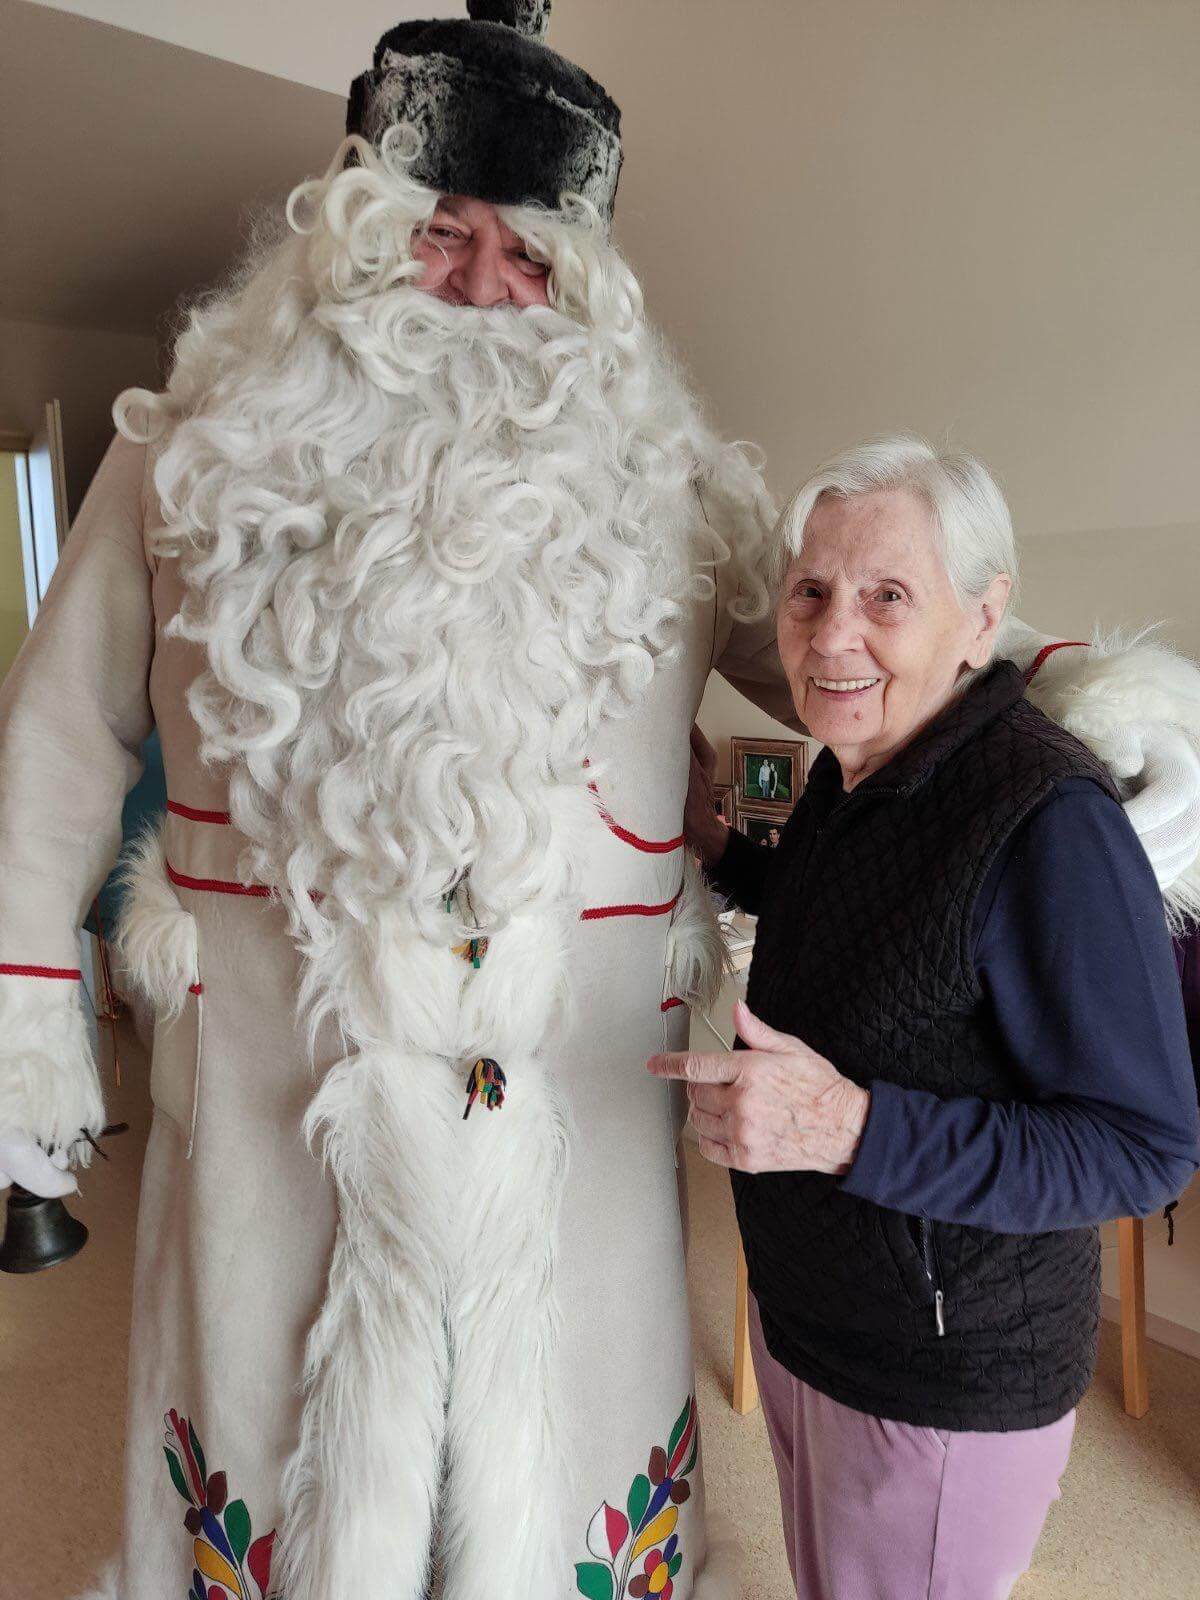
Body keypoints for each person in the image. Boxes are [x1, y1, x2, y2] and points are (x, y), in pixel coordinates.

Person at [0, 6, 1198, 1595]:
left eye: (533, 258)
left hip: (573, 1100)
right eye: (442, 235)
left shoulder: (664, 490)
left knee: (561, 1485)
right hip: (281, 1084)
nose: (485, 288)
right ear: (351, 235)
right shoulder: (185, 462)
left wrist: (1079, 689)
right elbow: (58, 737)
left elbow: (857, 644)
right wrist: (28, 1006)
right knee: (279, 1467)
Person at [654, 437, 1200, 1600]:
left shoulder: (1047, 817)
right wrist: (717, 845)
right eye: (811, 592)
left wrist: (848, 1127)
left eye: (887, 596)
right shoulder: (854, 770)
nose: (830, 635)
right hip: (818, 1325)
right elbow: (859, 921)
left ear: (980, 617)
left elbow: (1143, 1146)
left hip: (941, 1382)